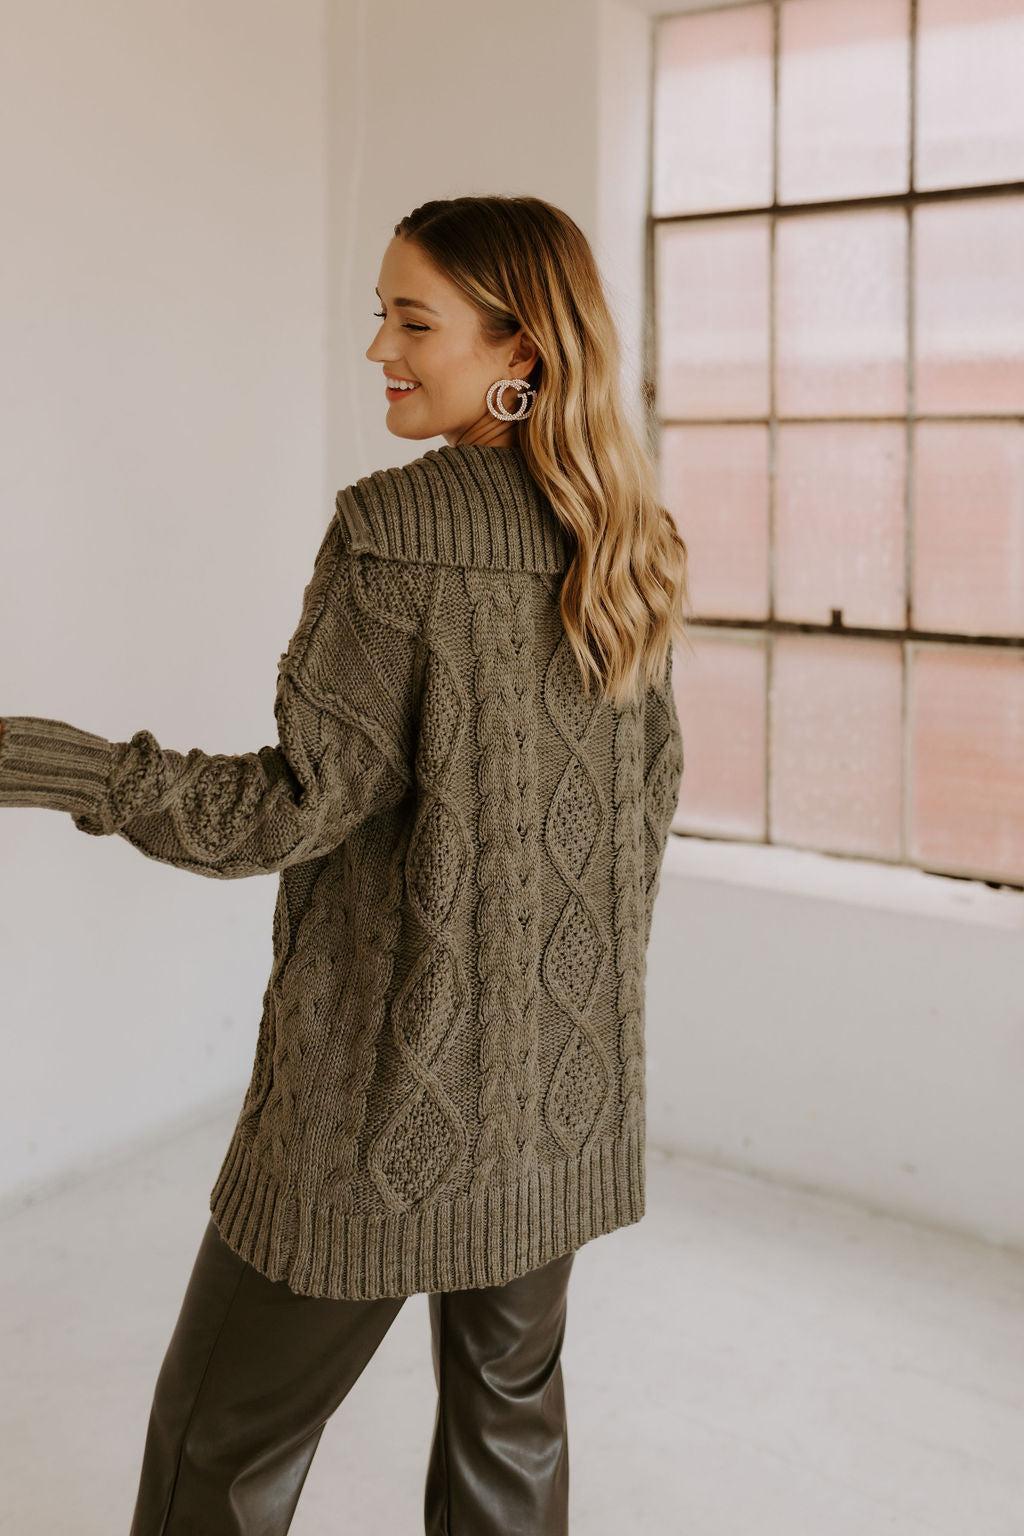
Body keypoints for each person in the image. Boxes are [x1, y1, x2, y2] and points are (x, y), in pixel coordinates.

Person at [0, 194, 689, 1535]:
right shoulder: (627, 538)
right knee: (509, 1430)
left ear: (520, 348)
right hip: (561, 1092)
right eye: (380, 315)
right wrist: (549, 1021)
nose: (379, 348)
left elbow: (286, 812)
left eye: (413, 322)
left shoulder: (396, 533)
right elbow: (642, 818)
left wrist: (48, 762)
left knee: (219, 1448)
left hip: (379, 1105)